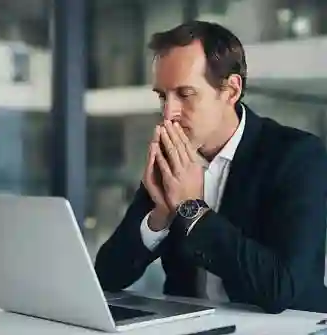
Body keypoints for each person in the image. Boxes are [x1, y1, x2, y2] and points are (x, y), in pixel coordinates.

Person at [94, 21, 327, 314]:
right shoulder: (173, 157)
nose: (169, 113)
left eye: (185, 94)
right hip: (191, 325)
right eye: (163, 96)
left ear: (231, 90)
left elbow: (280, 288)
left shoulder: (298, 156)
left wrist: (191, 209)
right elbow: (106, 275)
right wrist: (161, 215)